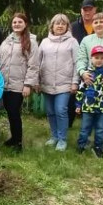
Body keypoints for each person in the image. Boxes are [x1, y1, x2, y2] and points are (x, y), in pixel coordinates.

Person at [0, 12, 40, 152]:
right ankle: (13, 138)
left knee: (14, 113)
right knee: (9, 112)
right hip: (4, 84)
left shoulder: (31, 42)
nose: (16, 24)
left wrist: (28, 85)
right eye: (14, 22)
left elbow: (33, 65)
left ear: (25, 24)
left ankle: (18, 143)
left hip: (18, 85)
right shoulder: (6, 41)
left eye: (20, 22)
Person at [37, 13, 78, 151]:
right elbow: (37, 62)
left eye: (63, 23)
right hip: (47, 83)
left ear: (67, 26)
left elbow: (77, 63)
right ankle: (54, 136)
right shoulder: (44, 42)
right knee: (50, 111)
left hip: (65, 83)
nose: (60, 26)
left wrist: (75, 82)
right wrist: (37, 81)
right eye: (57, 23)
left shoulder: (72, 42)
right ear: (52, 26)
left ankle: (62, 139)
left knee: (60, 110)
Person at [75, 45, 103, 157]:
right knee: (85, 128)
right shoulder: (86, 73)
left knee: (100, 129)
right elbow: (81, 89)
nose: (99, 60)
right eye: (96, 57)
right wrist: (78, 104)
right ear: (91, 58)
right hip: (88, 107)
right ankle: (81, 145)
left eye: (102, 58)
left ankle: (98, 147)